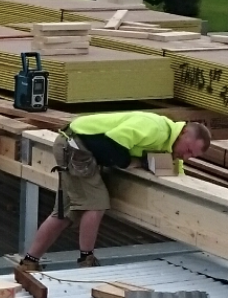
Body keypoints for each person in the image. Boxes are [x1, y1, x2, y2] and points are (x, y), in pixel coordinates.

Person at [19, 111, 210, 271]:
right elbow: (113, 144)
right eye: (187, 150)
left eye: (192, 155)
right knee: (97, 203)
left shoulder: (170, 143)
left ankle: (29, 261)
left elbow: (177, 171)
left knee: (64, 213)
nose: (186, 156)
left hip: (76, 146)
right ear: (183, 132)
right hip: (76, 146)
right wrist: (134, 162)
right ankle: (87, 261)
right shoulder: (155, 128)